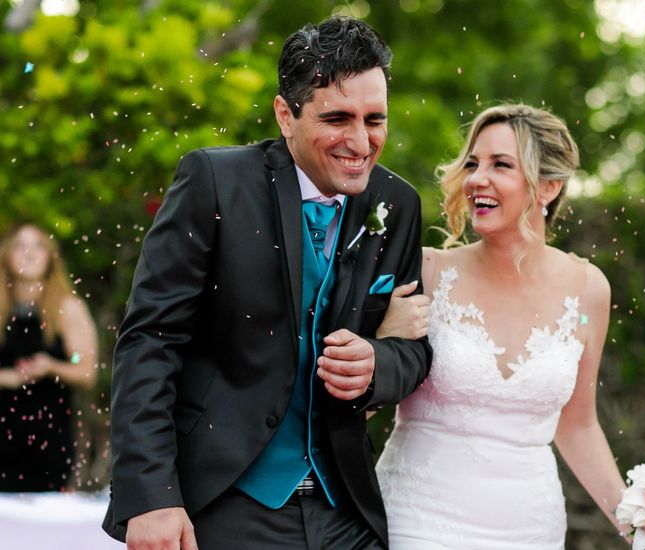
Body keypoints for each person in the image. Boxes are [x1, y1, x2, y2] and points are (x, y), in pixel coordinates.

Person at [103, 17, 432, 550]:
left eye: (375, 119)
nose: (360, 140)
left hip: (346, 509)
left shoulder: (396, 204)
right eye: (337, 118)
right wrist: (151, 496)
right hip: (225, 502)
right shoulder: (215, 182)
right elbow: (151, 342)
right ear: (286, 115)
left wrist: (378, 364)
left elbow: (413, 352)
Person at [374, 104, 627, 549]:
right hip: (416, 522)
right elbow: (362, 399)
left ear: (549, 186)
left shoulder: (589, 290)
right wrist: (381, 343)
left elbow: (578, 425)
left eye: (501, 165)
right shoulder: (427, 272)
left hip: (531, 528)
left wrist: (643, 527)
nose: (476, 179)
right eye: (472, 164)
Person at [0, 223, 98, 492]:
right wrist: (6, 378)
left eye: (38, 246)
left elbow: (85, 370)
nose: (29, 254)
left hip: (48, 444)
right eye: (21, 246)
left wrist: (52, 367)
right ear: (7, 255)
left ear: (50, 258)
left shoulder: (67, 309)